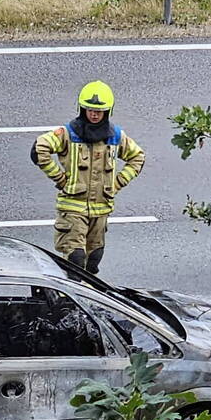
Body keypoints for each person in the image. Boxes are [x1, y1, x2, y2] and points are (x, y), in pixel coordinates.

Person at [30, 80, 145, 274]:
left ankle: (90, 299)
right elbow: (39, 149)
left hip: (100, 211)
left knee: (93, 260)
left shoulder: (115, 136)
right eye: (89, 110)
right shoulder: (68, 133)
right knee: (76, 258)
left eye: (98, 111)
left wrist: (116, 183)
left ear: (107, 112)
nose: (94, 114)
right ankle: (69, 298)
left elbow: (138, 157)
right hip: (72, 208)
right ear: (82, 109)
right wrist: (60, 179)